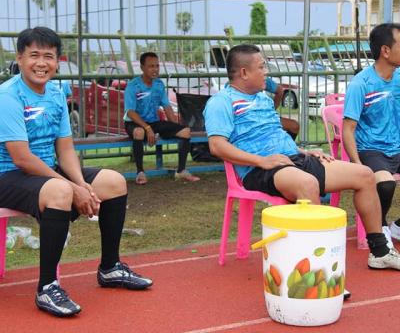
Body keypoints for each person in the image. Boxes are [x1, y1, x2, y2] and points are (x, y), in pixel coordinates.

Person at [204, 43, 400, 272]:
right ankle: (318, 267)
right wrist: (261, 161)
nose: (266, 72)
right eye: (262, 67)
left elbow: (274, 136)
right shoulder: (221, 102)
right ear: (244, 72)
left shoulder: (263, 99)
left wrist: (303, 152)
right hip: (260, 169)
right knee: (308, 184)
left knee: (365, 175)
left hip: (292, 160)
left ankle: (380, 252)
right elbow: (217, 146)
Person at [0, 27, 153, 318]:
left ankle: (109, 268)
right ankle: (47, 287)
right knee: (60, 190)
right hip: (8, 174)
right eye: (34, 55)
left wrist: (81, 183)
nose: (41, 63)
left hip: (46, 171)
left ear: (58, 61)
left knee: (114, 181)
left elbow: (66, 148)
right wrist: (72, 188)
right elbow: (22, 158)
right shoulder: (8, 96)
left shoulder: (56, 93)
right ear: (19, 58)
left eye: (48, 56)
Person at [343, 23, 400, 249]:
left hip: (397, 146)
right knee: (385, 184)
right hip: (371, 149)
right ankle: (381, 229)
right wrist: (358, 166)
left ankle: (397, 227)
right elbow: (348, 129)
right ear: (386, 50)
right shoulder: (361, 84)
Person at [124, 52, 200, 185]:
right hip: (134, 123)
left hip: (153, 123)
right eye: (151, 66)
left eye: (157, 66)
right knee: (139, 132)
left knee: (185, 131)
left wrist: (175, 127)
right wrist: (147, 128)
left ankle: (181, 171)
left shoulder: (159, 84)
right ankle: (140, 172)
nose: (155, 69)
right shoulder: (133, 86)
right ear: (142, 68)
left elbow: (167, 107)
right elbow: (130, 112)